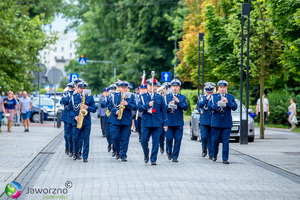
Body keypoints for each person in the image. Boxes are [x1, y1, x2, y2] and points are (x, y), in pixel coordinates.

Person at [138, 78, 168, 165]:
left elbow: (164, 111)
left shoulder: (159, 97)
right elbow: (139, 109)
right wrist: (148, 105)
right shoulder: (142, 96)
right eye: (149, 85)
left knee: (156, 141)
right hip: (146, 122)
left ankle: (153, 158)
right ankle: (146, 153)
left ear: (155, 87)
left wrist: (165, 123)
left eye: (153, 85)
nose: (151, 87)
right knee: (143, 140)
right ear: (147, 86)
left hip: (157, 122)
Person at [208, 80, 237, 164]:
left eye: (224, 87)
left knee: (225, 141)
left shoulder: (230, 97)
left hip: (226, 122)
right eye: (220, 87)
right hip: (216, 122)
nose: (222, 89)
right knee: (215, 140)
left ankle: (225, 158)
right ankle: (214, 154)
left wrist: (228, 102)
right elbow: (210, 107)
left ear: (226, 88)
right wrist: (217, 104)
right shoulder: (213, 97)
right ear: (218, 88)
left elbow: (235, 107)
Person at [108, 81, 137, 162]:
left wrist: (127, 104)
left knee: (125, 138)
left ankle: (123, 155)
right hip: (116, 120)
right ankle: (118, 151)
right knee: (115, 137)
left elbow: (135, 107)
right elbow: (110, 106)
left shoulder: (131, 96)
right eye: (122, 87)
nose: (124, 89)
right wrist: (115, 111)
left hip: (126, 120)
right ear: (119, 88)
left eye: (125, 87)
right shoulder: (113, 96)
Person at [69, 81, 96, 162]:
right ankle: (76, 152)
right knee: (76, 139)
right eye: (80, 88)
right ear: (78, 88)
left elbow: (94, 109)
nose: (82, 90)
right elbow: (70, 109)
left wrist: (88, 107)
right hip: (77, 121)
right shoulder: (74, 97)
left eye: (84, 88)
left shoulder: (90, 97)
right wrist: (74, 117)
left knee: (86, 139)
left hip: (86, 122)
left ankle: (85, 156)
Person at [164, 79, 188, 162]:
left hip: (178, 122)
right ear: (171, 87)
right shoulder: (166, 97)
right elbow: (162, 109)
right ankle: (169, 151)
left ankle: (175, 156)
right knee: (169, 139)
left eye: (176, 87)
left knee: (178, 140)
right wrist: (168, 105)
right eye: (173, 86)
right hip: (169, 122)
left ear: (179, 88)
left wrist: (178, 101)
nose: (175, 88)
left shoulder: (182, 97)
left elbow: (185, 108)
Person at [197, 82, 215, 159]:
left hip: (213, 119)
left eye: (210, 91)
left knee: (211, 137)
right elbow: (199, 105)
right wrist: (207, 99)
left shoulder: (215, 97)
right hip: (204, 119)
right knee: (204, 137)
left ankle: (211, 153)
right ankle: (204, 149)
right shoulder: (201, 96)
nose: (209, 93)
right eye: (208, 91)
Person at [60, 83, 75, 157]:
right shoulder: (65, 94)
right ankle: (67, 147)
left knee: (73, 134)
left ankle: (72, 149)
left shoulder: (76, 94)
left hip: (74, 115)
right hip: (66, 116)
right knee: (67, 134)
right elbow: (62, 101)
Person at [102, 85, 116, 155]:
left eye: (114, 89)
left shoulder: (116, 97)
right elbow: (102, 104)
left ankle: (114, 148)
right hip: (107, 117)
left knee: (113, 134)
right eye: (111, 89)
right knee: (107, 134)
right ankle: (109, 144)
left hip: (114, 118)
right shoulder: (107, 97)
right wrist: (108, 102)